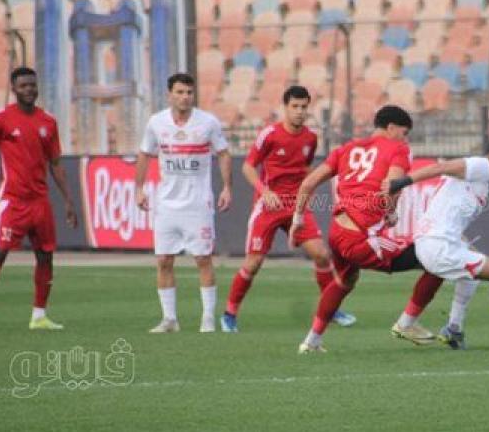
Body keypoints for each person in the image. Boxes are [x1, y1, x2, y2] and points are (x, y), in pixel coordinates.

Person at [289, 105, 444, 353]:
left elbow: (307, 183)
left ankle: (311, 342)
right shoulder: (398, 149)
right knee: (438, 260)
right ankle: (407, 323)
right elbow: (391, 185)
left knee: (344, 281)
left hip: (338, 231)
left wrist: (297, 219)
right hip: (362, 237)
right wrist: (391, 212)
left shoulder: (345, 149)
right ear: (391, 128)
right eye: (404, 133)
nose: (405, 139)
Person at [221, 86, 356, 333]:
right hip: (269, 205)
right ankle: (230, 313)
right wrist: (265, 191)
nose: (299, 112)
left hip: (297, 205)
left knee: (322, 255)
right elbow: (248, 167)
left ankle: (331, 309)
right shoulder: (269, 135)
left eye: (304, 107)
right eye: (295, 106)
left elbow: (304, 169)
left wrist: (313, 185)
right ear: (285, 107)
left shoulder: (310, 139)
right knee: (253, 263)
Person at [0, 66, 78, 332]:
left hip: (40, 202)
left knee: (46, 257)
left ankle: (39, 316)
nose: (29, 90)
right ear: (14, 89)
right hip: (13, 201)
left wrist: (69, 201)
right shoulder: (1, 119)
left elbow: (56, 163)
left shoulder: (48, 122)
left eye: (32, 85)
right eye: (24, 86)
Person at [385, 136, 489, 350]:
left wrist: (467, 247)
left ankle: (454, 329)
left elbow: (451, 217)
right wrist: (401, 182)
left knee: (470, 276)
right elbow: (441, 167)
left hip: (438, 242)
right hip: (437, 246)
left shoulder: (483, 181)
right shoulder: (483, 166)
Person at [135, 73, 233, 333]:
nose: (185, 97)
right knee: (164, 260)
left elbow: (223, 154)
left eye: (189, 92)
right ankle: (170, 319)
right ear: (170, 94)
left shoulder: (208, 123)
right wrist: (139, 189)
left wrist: (226, 187)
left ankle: (208, 318)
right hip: (166, 205)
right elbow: (145, 154)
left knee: (203, 259)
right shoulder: (157, 123)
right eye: (179, 92)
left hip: (198, 205)